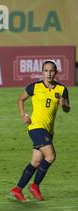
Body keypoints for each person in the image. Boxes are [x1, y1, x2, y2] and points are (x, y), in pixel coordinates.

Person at [10, 60, 71, 202]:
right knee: (50, 156)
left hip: (48, 131)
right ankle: (35, 186)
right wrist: (23, 115)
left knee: (36, 161)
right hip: (36, 127)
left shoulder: (62, 89)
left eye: (51, 71)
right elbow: (20, 100)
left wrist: (64, 105)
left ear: (55, 72)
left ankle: (17, 189)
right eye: (46, 70)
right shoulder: (34, 87)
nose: (49, 73)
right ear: (42, 72)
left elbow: (67, 109)